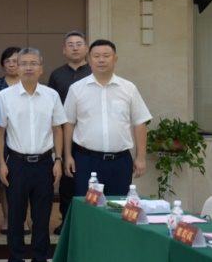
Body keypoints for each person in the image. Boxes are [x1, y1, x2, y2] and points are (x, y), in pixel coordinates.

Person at [0, 48, 66, 262]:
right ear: (16, 67)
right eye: (23, 63)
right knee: (15, 217)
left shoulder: (51, 95)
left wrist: (58, 160)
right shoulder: (5, 96)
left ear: (41, 68)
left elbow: (58, 129)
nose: (28, 67)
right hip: (16, 163)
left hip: (45, 163)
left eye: (33, 63)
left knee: (42, 217)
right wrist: (1, 163)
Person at [64, 39, 151, 198]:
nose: (101, 60)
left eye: (106, 56)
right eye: (96, 56)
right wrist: (68, 155)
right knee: (89, 206)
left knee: (117, 206)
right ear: (89, 60)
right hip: (86, 161)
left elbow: (140, 122)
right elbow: (68, 123)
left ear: (115, 60)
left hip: (120, 162)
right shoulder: (76, 89)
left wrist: (141, 157)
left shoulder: (128, 89)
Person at [46, 32, 91, 234]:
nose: (75, 48)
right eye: (70, 44)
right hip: (63, 134)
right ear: (64, 50)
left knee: (89, 181)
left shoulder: (93, 72)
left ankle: (88, 222)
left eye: (79, 44)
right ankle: (66, 220)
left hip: (87, 135)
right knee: (67, 182)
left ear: (86, 48)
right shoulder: (57, 75)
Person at [0, 46, 26, 236]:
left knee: (25, 182)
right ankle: (7, 218)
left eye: (15, 61)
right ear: (3, 65)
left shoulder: (28, 83)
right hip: (2, 137)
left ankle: (23, 220)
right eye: (7, 61)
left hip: (24, 137)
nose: (11, 65)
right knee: (5, 181)